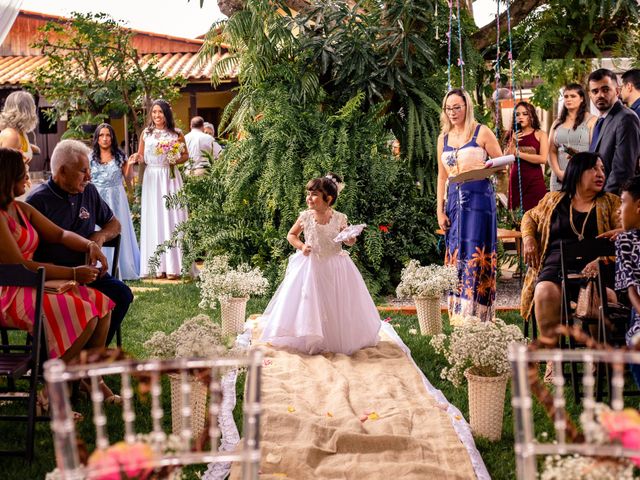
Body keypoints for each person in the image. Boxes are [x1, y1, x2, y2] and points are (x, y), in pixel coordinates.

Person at [0, 148, 118, 410]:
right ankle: (53, 389)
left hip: (36, 284)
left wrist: (89, 245)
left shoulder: (21, 209)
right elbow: (20, 265)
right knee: (85, 313)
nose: (28, 178)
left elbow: (61, 235)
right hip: (11, 292)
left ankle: (85, 377)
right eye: (23, 174)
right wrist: (73, 274)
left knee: (102, 304)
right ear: (9, 179)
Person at [27, 140, 133, 348]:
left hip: (88, 274)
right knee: (88, 306)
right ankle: (53, 355)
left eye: (89, 170)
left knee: (122, 295)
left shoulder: (89, 191)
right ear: (63, 171)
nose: (89, 177)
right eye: (83, 171)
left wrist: (100, 236)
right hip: (55, 279)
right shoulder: (38, 202)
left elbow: (114, 224)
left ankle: (93, 353)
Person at [260, 173, 380, 355]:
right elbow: (291, 235)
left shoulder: (339, 218)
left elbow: (348, 240)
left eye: (314, 194)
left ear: (328, 198)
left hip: (335, 266)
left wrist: (350, 238)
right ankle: (309, 335)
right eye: (308, 194)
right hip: (311, 266)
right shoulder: (305, 217)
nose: (309, 198)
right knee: (310, 300)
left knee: (335, 301)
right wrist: (302, 246)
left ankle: (334, 337)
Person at [521, 152, 621, 344]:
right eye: (594, 168)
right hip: (556, 267)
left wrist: (622, 232)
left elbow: (631, 226)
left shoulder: (610, 202)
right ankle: (552, 357)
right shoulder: (553, 200)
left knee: (601, 296)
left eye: (602, 169)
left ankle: (599, 358)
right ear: (576, 172)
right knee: (544, 291)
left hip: (596, 269)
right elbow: (530, 217)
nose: (600, 173)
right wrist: (528, 239)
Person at [436, 88, 503, 322]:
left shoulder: (481, 132)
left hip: (479, 198)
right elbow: (441, 177)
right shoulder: (442, 139)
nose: (453, 112)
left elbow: (501, 163)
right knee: (456, 248)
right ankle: (459, 311)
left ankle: (480, 312)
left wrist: (486, 167)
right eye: (448, 108)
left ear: (467, 107)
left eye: (457, 107)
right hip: (454, 201)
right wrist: (439, 210)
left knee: (477, 251)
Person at [128, 99, 189, 279]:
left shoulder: (176, 133)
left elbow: (185, 155)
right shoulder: (146, 133)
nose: (156, 115)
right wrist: (135, 158)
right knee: (155, 217)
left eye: (160, 112)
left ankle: (174, 267)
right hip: (152, 178)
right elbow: (142, 156)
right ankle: (157, 266)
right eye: (154, 112)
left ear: (166, 114)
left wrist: (174, 160)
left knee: (172, 217)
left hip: (169, 177)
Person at [90, 123, 140, 280]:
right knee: (98, 228)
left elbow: (128, 178)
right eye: (101, 135)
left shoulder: (120, 156)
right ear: (97, 139)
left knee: (118, 227)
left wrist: (130, 165)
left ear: (112, 138)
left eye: (108, 135)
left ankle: (122, 266)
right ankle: (98, 265)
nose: (105, 139)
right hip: (97, 197)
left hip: (116, 197)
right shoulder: (90, 157)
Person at [587, 68, 640, 194]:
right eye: (595, 91)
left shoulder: (626, 118)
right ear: (590, 95)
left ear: (617, 91)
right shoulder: (601, 120)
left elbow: (622, 170)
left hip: (612, 200)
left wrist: (605, 201)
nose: (600, 95)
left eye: (605, 90)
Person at [548, 84, 597, 192]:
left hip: (582, 175)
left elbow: (594, 152)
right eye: (566, 96)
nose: (568, 99)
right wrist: (558, 173)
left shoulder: (592, 120)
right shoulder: (557, 122)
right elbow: (551, 151)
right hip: (559, 177)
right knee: (558, 207)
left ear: (582, 99)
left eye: (573, 96)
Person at [504, 101, 549, 211]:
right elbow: (506, 158)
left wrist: (519, 154)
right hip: (516, 181)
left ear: (532, 115)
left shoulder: (540, 134)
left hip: (535, 181)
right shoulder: (511, 135)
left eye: (525, 114)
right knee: (516, 218)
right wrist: (513, 142)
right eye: (517, 114)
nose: (521, 117)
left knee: (537, 216)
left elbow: (543, 159)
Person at [0, 91, 41, 174]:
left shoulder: (20, 132)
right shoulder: (11, 136)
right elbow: (7, 174)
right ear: (27, 110)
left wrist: (33, 148)